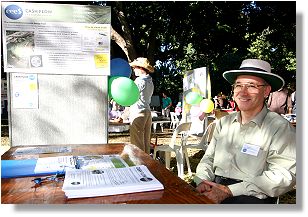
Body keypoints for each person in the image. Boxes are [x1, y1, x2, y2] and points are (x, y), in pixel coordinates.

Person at [194, 59, 296, 204]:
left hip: (252, 196)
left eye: (251, 86)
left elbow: (284, 175)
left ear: (266, 91)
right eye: (238, 85)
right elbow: (208, 158)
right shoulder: (224, 122)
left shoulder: (279, 127)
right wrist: (202, 180)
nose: (243, 92)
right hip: (212, 185)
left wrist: (229, 191)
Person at [128, 57, 154, 154]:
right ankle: (147, 166)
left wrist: (124, 114)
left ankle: (139, 166)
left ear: (141, 68)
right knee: (146, 142)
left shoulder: (139, 81)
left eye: (135, 67)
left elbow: (130, 98)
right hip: (147, 112)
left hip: (138, 112)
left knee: (137, 144)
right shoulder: (150, 81)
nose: (133, 69)